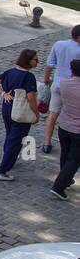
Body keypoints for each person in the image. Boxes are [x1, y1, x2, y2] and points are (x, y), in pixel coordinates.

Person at [0, 49, 40, 181]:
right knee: (16, 140)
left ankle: (8, 155)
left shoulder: (9, 72)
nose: (38, 62)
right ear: (28, 61)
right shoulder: (29, 77)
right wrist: (36, 114)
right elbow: (31, 98)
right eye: (36, 59)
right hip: (20, 112)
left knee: (10, 134)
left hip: (7, 108)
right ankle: (3, 170)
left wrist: (3, 94)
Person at [41, 25, 80, 155]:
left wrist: (46, 79)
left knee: (52, 114)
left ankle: (47, 143)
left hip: (58, 84)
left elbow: (50, 64)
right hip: (74, 88)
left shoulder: (58, 44)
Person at [50, 59, 80, 199]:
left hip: (64, 125)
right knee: (74, 159)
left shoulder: (63, 83)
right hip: (77, 130)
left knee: (65, 155)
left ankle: (66, 178)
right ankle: (59, 186)